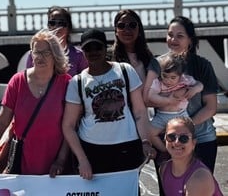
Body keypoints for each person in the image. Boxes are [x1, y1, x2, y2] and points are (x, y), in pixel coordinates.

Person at [0, 29, 72, 181]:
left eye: (46, 53)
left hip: (55, 161)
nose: (40, 57)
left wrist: (61, 160)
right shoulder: (17, 81)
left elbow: (70, 126)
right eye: (36, 52)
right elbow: (2, 121)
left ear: (55, 54)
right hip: (22, 159)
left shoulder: (66, 83)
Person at [62, 29, 155, 180]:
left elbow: (140, 112)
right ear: (82, 51)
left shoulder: (125, 70)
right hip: (92, 148)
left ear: (106, 48)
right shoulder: (77, 82)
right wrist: (82, 159)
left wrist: (145, 141)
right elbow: (68, 125)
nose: (93, 52)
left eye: (97, 47)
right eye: (88, 48)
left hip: (127, 145)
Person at [143, 16, 219, 195]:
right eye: (170, 35)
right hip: (170, 140)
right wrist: (169, 101)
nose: (173, 40)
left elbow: (211, 107)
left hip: (201, 138)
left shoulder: (202, 65)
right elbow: (146, 98)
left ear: (190, 40)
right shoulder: (157, 64)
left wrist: (185, 130)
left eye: (180, 36)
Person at [148, 52, 203, 164]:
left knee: (188, 135)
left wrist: (194, 89)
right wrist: (168, 100)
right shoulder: (158, 83)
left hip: (181, 115)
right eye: (165, 76)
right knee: (149, 132)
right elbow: (150, 95)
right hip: (163, 115)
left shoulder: (185, 80)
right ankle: (165, 149)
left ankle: (189, 156)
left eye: (173, 77)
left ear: (181, 75)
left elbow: (200, 85)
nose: (168, 80)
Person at [160, 117, 223, 196]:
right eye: (171, 137)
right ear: (165, 139)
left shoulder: (199, 177)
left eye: (184, 138)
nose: (176, 142)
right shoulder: (165, 168)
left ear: (193, 143)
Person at [26, 6, 88, 76]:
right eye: (52, 23)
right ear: (48, 26)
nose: (56, 26)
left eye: (61, 23)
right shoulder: (34, 54)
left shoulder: (79, 55)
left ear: (69, 27)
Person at [110, 9, 154, 83]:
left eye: (132, 25)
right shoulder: (108, 58)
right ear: (116, 31)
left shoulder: (148, 58)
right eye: (121, 26)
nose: (127, 30)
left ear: (139, 30)